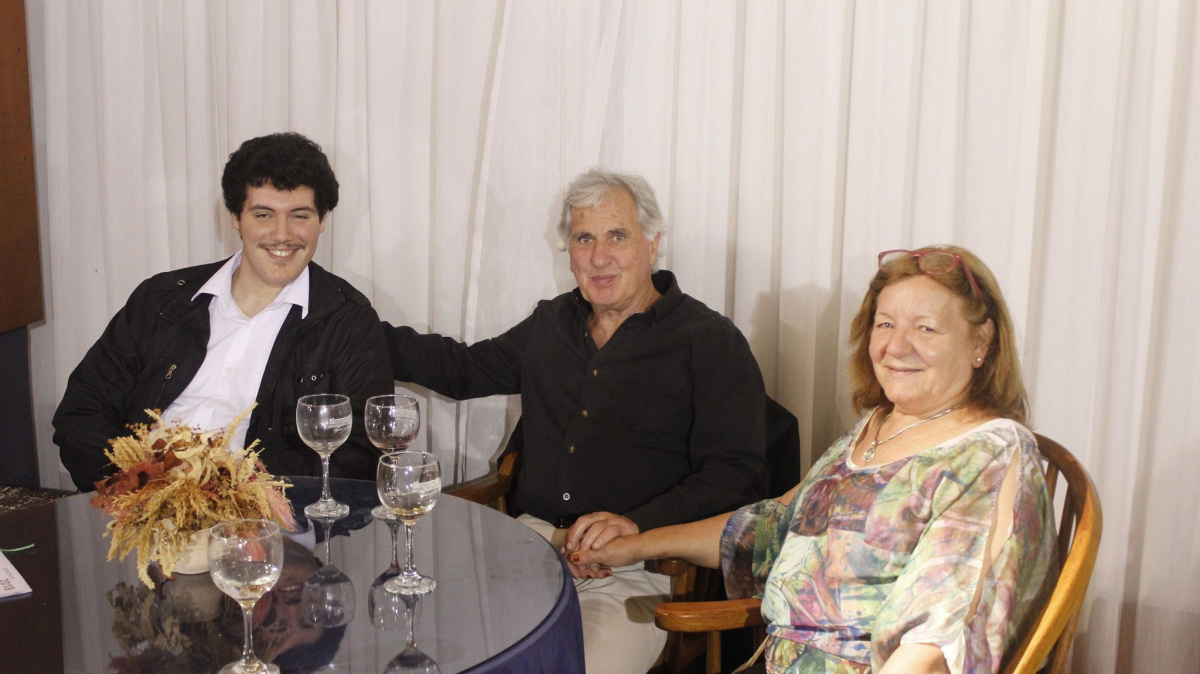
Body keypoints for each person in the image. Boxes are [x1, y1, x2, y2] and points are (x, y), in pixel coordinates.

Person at [572, 246, 1058, 674]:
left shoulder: (990, 456)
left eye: (926, 328)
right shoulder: (879, 425)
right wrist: (634, 542)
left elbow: (931, 649)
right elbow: (771, 526)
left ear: (980, 342)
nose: (896, 346)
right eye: (885, 324)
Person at [383, 168, 768, 673]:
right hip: (527, 549)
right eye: (585, 238)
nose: (599, 256)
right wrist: (352, 326)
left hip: (637, 569)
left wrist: (636, 527)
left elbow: (736, 474)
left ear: (653, 244)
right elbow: (461, 369)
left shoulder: (710, 341)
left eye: (617, 236)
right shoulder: (551, 322)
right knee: (425, 647)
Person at [54, 132, 392, 491]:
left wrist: (227, 485)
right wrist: (140, 483)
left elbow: (358, 453)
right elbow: (81, 413)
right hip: (135, 502)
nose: (282, 234)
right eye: (263, 214)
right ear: (235, 217)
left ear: (322, 220)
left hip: (256, 514)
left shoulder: (348, 320)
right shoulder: (161, 300)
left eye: (299, 215)